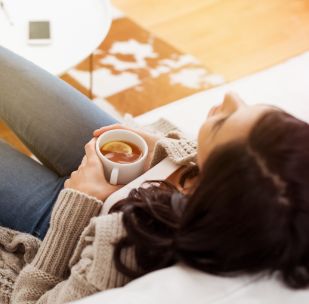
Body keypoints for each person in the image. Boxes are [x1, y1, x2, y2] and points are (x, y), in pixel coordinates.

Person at [0, 46, 308, 303]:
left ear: (204, 193)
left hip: (65, 225)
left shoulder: (121, 251)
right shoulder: (278, 192)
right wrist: (162, 150)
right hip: (128, 166)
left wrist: (79, 203)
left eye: (221, 123)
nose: (231, 96)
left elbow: (31, 300)